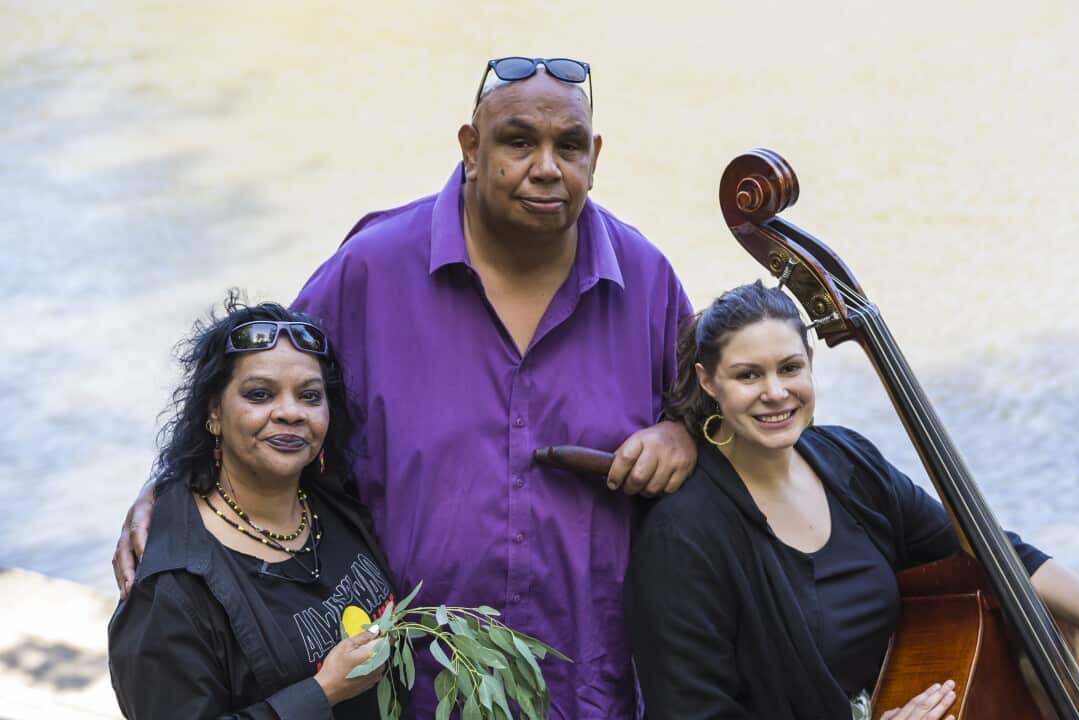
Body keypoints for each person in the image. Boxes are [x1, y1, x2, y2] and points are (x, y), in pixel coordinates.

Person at [113, 57, 695, 719]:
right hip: (405, 691)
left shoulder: (647, 280)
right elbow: (261, 393)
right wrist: (170, 485)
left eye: (567, 147)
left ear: (594, 156)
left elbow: (722, 416)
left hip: (590, 688)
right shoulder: (370, 269)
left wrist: (683, 433)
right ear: (470, 149)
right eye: (517, 141)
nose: (545, 167)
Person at [624, 282, 1079, 720]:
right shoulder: (684, 535)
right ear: (708, 382)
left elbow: (996, 557)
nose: (776, 393)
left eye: (790, 368)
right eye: (748, 375)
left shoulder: (847, 464)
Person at [108, 297, 398, 719]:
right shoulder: (168, 589)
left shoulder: (332, 498)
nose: (290, 413)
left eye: (310, 396)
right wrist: (322, 692)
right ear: (213, 412)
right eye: (260, 395)